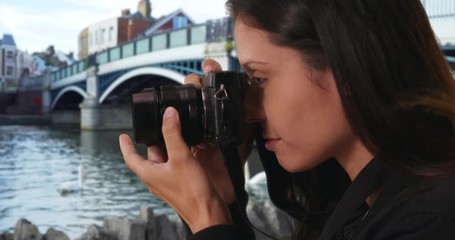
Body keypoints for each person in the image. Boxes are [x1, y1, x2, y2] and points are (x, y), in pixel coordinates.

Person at [119, 0, 455, 239]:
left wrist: (206, 214)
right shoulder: (371, 202)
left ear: (346, 66)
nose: (249, 110)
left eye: (260, 79)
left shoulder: (430, 221)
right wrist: (224, 202)